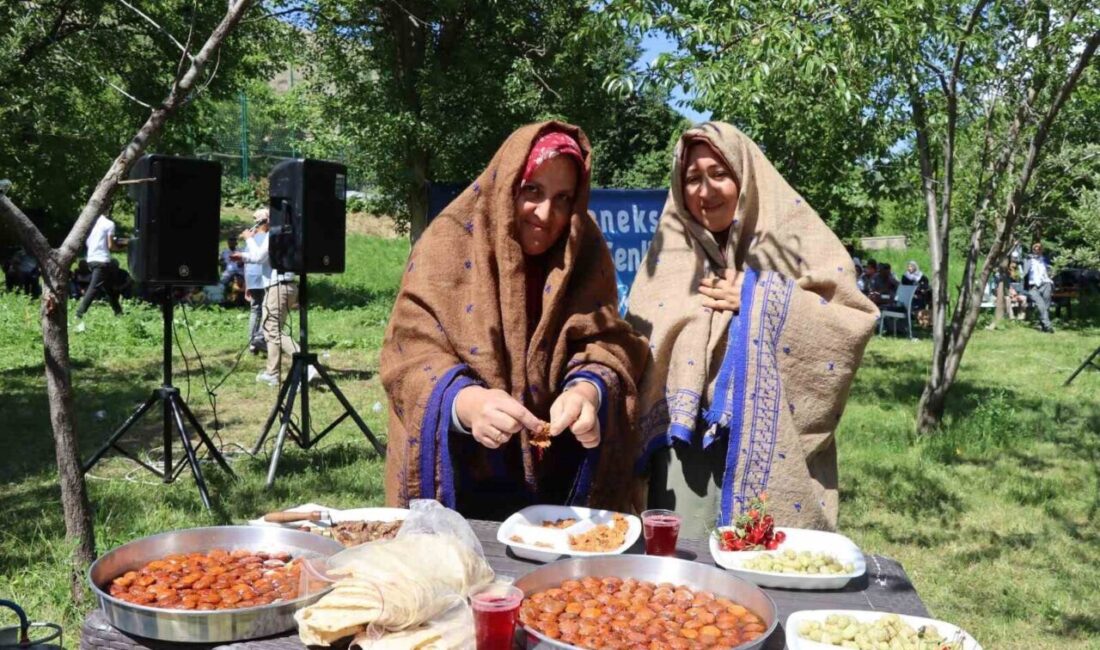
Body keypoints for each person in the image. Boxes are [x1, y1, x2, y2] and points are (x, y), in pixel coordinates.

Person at [380, 122, 648, 519]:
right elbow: (409, 352)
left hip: (556, 490)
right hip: (458, 477)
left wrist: (586, 392)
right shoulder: (447, 243)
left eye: (563, 198)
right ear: (507, 185)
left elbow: (607, 340)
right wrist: (466, 404)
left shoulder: (583, 249)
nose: (546, 214)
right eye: (532, 191)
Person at [626, 122, 877, 537]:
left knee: (764, 586)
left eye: (719, 174)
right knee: (686, 584)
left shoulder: (794, 237)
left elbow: (851, 319)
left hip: (774, 457)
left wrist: (762, 296)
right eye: (692, 179)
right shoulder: (667, 258)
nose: (706, 192)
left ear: (745, 177)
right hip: (681, 463)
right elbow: (638, 340)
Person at [231, 208, 318, 385]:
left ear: (266, 220)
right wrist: (243, 257)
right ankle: (272, 373)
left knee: (272, 330)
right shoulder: (279, 233)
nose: (256, 224)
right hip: (280, 286)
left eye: (258, 220)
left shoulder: (274, 234)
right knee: (270, 329)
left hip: (278, 287)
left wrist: (249, 239)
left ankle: (307, 364)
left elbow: (259, 255)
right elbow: (263, 258)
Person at [75, 214, 125, 319]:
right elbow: (111, 246)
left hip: (91, 259)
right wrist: (124, 248)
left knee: (108, 288)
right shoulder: (109, 224)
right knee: (94, 288)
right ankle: (79, 314)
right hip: (102, 261)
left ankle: (119, 312)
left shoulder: (90, 224)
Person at [242, 211, 268, 354]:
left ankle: (252, 343)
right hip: (264, 277)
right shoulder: (269, 238)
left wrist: (247, 284)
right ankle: (260, 338)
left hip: (251, 277)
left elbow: (246, 261)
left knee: (254, 309)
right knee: (267, 309)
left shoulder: (250, 238)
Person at [1022, 241, 1054, 333]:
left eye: (1039, 249)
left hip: (1046, 283)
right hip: (1033, 286)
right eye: (1035, 249)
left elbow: (1053, 269)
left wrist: (1052, 276)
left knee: (1046, 306)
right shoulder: (1028, 259)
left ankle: (1042, 326)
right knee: (1041, 305)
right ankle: (1048, 326)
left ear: (1042, 250)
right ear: (1032, 250)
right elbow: (1016, 258)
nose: (1037, 250)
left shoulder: (1046, 259)